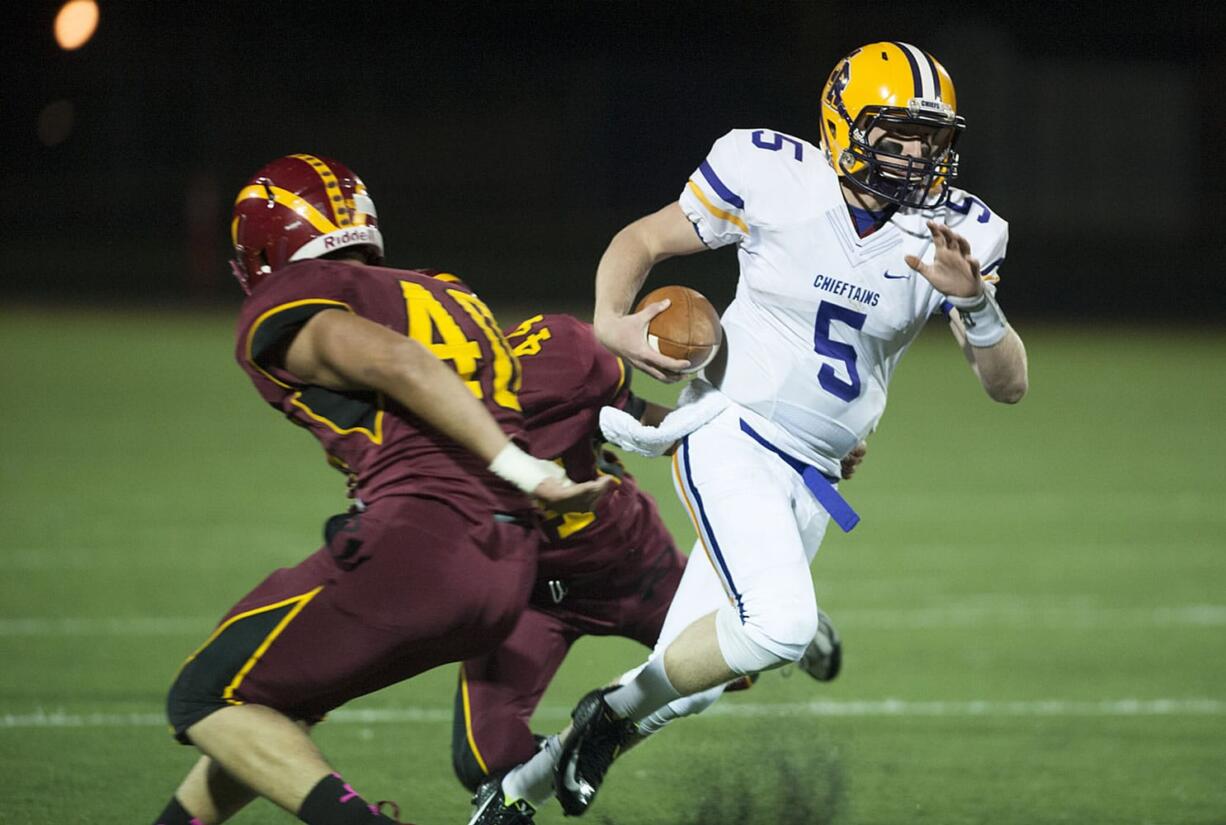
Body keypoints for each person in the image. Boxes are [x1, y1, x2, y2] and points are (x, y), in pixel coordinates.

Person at [549, 41, 1030, 815]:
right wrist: (610, 321)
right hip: (732, 431)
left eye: (931, 138)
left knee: (691, 682)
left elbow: (1009, 386)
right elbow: (640, 240)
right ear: (843, 127)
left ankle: (519, 786)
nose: (917, 155)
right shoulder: (770, 174)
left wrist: (976, 303)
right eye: (898, 133)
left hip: (819, 472)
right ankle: (611, 714)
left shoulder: (959, 231)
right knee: (778, 623)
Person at [149, 154, 610, 825]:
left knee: (202, 697)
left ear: (266, 249)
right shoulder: (446, 291)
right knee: (266, 707)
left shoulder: (292, 298)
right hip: (505, 566)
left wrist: (523, 468)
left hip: (424, 544)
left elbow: (400, 361)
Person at [459, 313, 862, 825]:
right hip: (527, 593)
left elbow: (646, 418)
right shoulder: (418, 421)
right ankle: (534, 777)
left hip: (624, 564)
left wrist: (796, 444)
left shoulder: (562, 355)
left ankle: (774, 598)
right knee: (483, 762)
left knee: (722, 666)